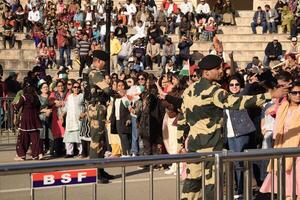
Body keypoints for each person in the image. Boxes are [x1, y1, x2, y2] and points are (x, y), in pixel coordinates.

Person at [179, 54, 289, 199]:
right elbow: (236, 102)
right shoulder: (213, 91)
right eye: (217, 68)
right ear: (206, 72)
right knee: (212, 189)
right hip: (211, 148)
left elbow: (182, 118)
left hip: (193, 147)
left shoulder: (189, 91)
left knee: (191, 186)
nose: (221, 71)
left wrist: (180, 143)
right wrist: (270, 95)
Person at [260, 81, 300, 199]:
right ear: (289, 94)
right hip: (283, 150)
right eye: (294, 92)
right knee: (286, 190)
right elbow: (269, 112)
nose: (298, 95)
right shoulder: (283, 108)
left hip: (298, 154)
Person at [224, 76, 256, 200]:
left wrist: (250, 83)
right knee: (236, 163)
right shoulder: (225, 99)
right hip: (230, 135)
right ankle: (241, 189)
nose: (234, 87)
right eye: (231, 85)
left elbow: (246, 91)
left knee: (242, 162)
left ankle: (244, 190)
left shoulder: (242, 97)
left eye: (237, 84)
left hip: (242, 133)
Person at [14, 80, 42, 160]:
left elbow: (17, 107)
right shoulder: (36, 97)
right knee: (35, 136)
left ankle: (22, 155)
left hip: (26, 118)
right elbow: (39, 107)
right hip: (35, 118)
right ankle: (37, 154)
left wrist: (14, 105)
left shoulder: (24, 97)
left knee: (23, 136)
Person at [61, 81, 84, 158]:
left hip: (78, 119)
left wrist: (83, 113)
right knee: (69, 137)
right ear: (72, 88)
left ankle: (81, 152)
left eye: (78, 87)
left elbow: (86, 105)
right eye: (74, 87)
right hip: (70, 119)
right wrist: (62, 114)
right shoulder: (69, 97)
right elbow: (66, 107)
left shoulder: (82, 96)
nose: (76, 88)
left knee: (79, 137)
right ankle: (69, 152)